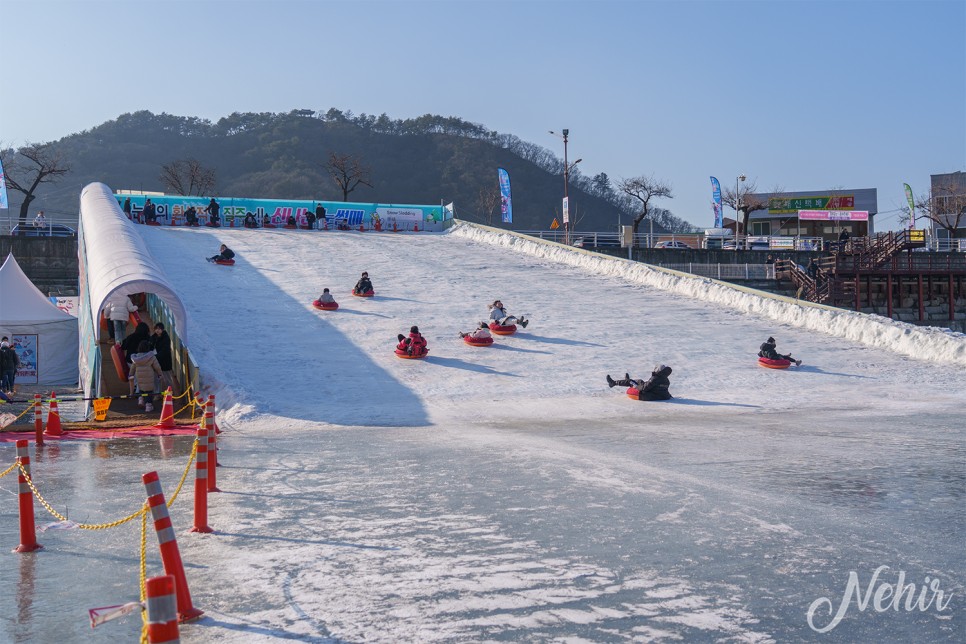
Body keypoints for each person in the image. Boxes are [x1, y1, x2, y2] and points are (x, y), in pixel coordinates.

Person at [128, 340, 162, 412]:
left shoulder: (136, 358)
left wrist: (131, 374)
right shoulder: (151, 357)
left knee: (141, 388)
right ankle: (148, 406)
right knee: (149, 391)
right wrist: (160, 374)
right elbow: (157, 367)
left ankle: (141, 400)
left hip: (139, 376)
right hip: (149, 376)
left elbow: (133, 368)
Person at [606, 365, 674, 401]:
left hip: (645, 396)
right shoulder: (666, 380)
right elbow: (663, 390)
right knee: (640, 381)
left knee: (632, 382)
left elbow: (644, 388)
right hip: (659, 396)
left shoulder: (655, 378)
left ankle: (613, 383)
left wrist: (635, 386)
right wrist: (669, 396)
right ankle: (627, 381)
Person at [150, 322, 175, 396]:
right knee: (156, 379)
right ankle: (157, 394)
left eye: (159, 329)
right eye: (156, 329)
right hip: (155, 361)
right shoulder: (153, 337)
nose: (157, 331)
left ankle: (170, 393)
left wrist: (156, 356)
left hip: (164, 361)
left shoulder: (166, 338)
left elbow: (165, 350)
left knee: (167, 378)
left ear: (162, 329)